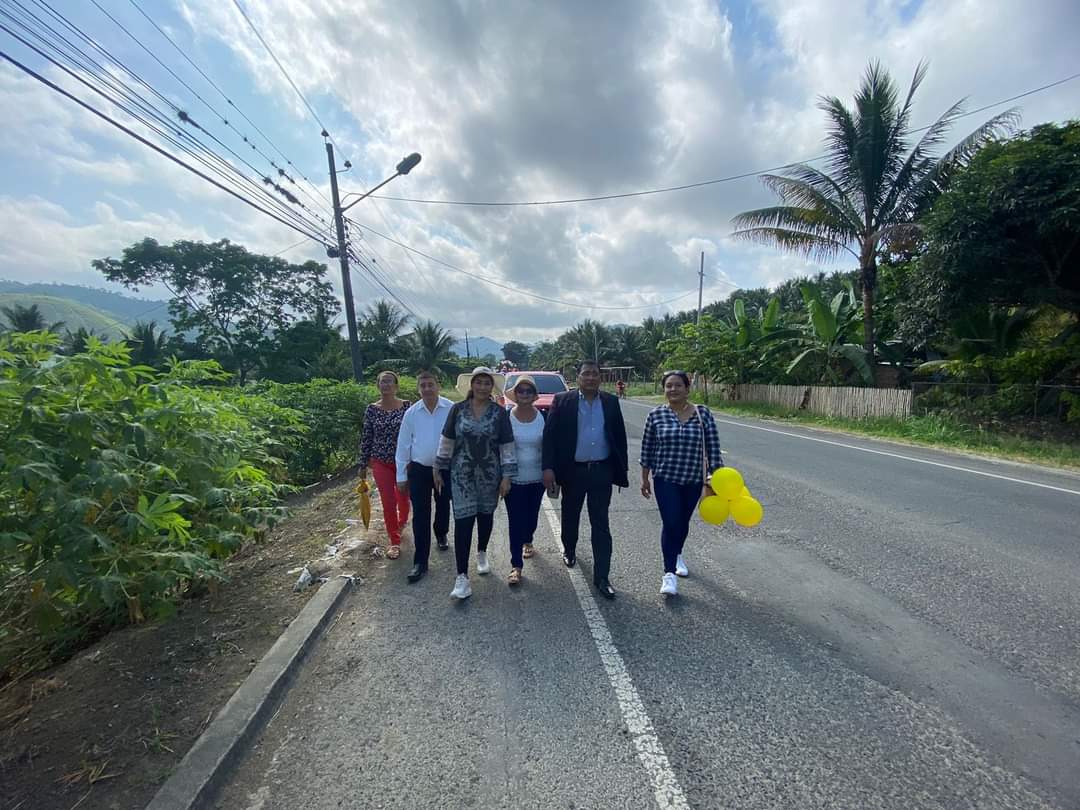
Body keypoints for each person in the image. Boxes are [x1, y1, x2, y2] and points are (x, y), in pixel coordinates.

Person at [542, 359, 628, 599]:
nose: (590, 378)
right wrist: (548, 468)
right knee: (571, 514)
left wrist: (621, 469)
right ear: (578, 377)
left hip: (601, 470)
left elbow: (619, 436)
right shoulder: (562, 400)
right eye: (586, 374)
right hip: (573, 471)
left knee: (601, 523)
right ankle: (569, 549)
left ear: (600, 377)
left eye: (594, 374)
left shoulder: (610, 402)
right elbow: (549, 437)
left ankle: (602, 577)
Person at [435, 367, 517, 600]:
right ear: (472, 385)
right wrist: (439, 467)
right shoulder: (458, 409)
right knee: (462, 521)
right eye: (478, 382)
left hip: (489, 475)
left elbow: (507, 446)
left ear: (492, 387)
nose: (482, 387)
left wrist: (507, 476)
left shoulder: (499, 413)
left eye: (487, 383)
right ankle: (462, 577)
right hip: (461, 474)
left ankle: (481, 551)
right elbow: (447, 440)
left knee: (485, 516)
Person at [639, 370, 723, 596]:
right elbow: (647, 449)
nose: (673, 389)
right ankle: (669, 574)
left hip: (693, 479)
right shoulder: (656, 415)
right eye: (669, 386)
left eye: (678, 385)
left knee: (683, 521)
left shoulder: (702, 414)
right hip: (665, 478)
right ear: (664, 390)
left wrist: (718, 479)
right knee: (671, 521)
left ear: (687, 389)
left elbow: (713, 448)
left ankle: (677, 554)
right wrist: (644, 478)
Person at [395, 371, 454, 583]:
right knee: (420, 513)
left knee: (443, 503)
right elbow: (403, 445)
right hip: (419, 470)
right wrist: (401, 475)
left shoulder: (451, 408)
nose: (427, 389)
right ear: (418, 389)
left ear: (438, 386)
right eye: (423, 386)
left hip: (445, 468)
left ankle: (441, 532)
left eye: (431, 384)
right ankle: (420, 562)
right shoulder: (411, 413)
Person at [358, 370, 411, 560]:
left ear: (396, 386)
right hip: (380, 461)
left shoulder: (406, 406)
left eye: (389, 381)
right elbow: (367, 436)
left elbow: (413, 433)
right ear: (378, 385)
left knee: (403, 497)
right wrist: (362, 463)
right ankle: (394, 541)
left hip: (403, 461)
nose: (386, 384)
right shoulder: (372, 409)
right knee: (388, 502)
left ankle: (402, 521)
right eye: (382, 381)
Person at [502, 375, 546, 586]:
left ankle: (528, 539)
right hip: (514, 479)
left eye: (529, 391)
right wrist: (504, 477)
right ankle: (516, 565)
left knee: (531, 517)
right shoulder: (506, 417)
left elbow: (549, 447)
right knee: (515, 521)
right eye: (521, 391)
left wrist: (551, 473)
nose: (525, 394)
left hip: (537, 479)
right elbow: (501, 449)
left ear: (534, 395)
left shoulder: (543, 417)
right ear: (516, 394)